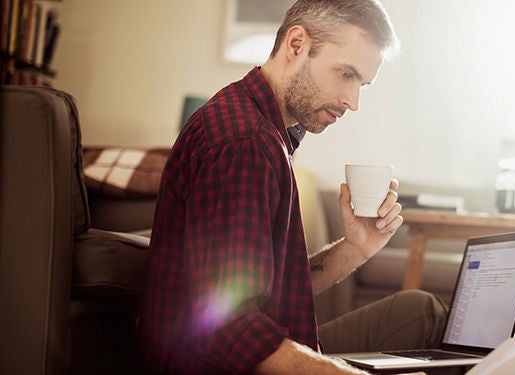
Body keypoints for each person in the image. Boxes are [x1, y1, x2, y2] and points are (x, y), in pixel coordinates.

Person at [138, 0, 446, 374]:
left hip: (267, 350)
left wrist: (356, 248)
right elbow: (227, 329)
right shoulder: (245, 141)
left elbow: (268, 293)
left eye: (362, 83)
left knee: (419, 310)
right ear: (296, 44)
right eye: (345, 74)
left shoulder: (262, 130)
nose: (353, 101)